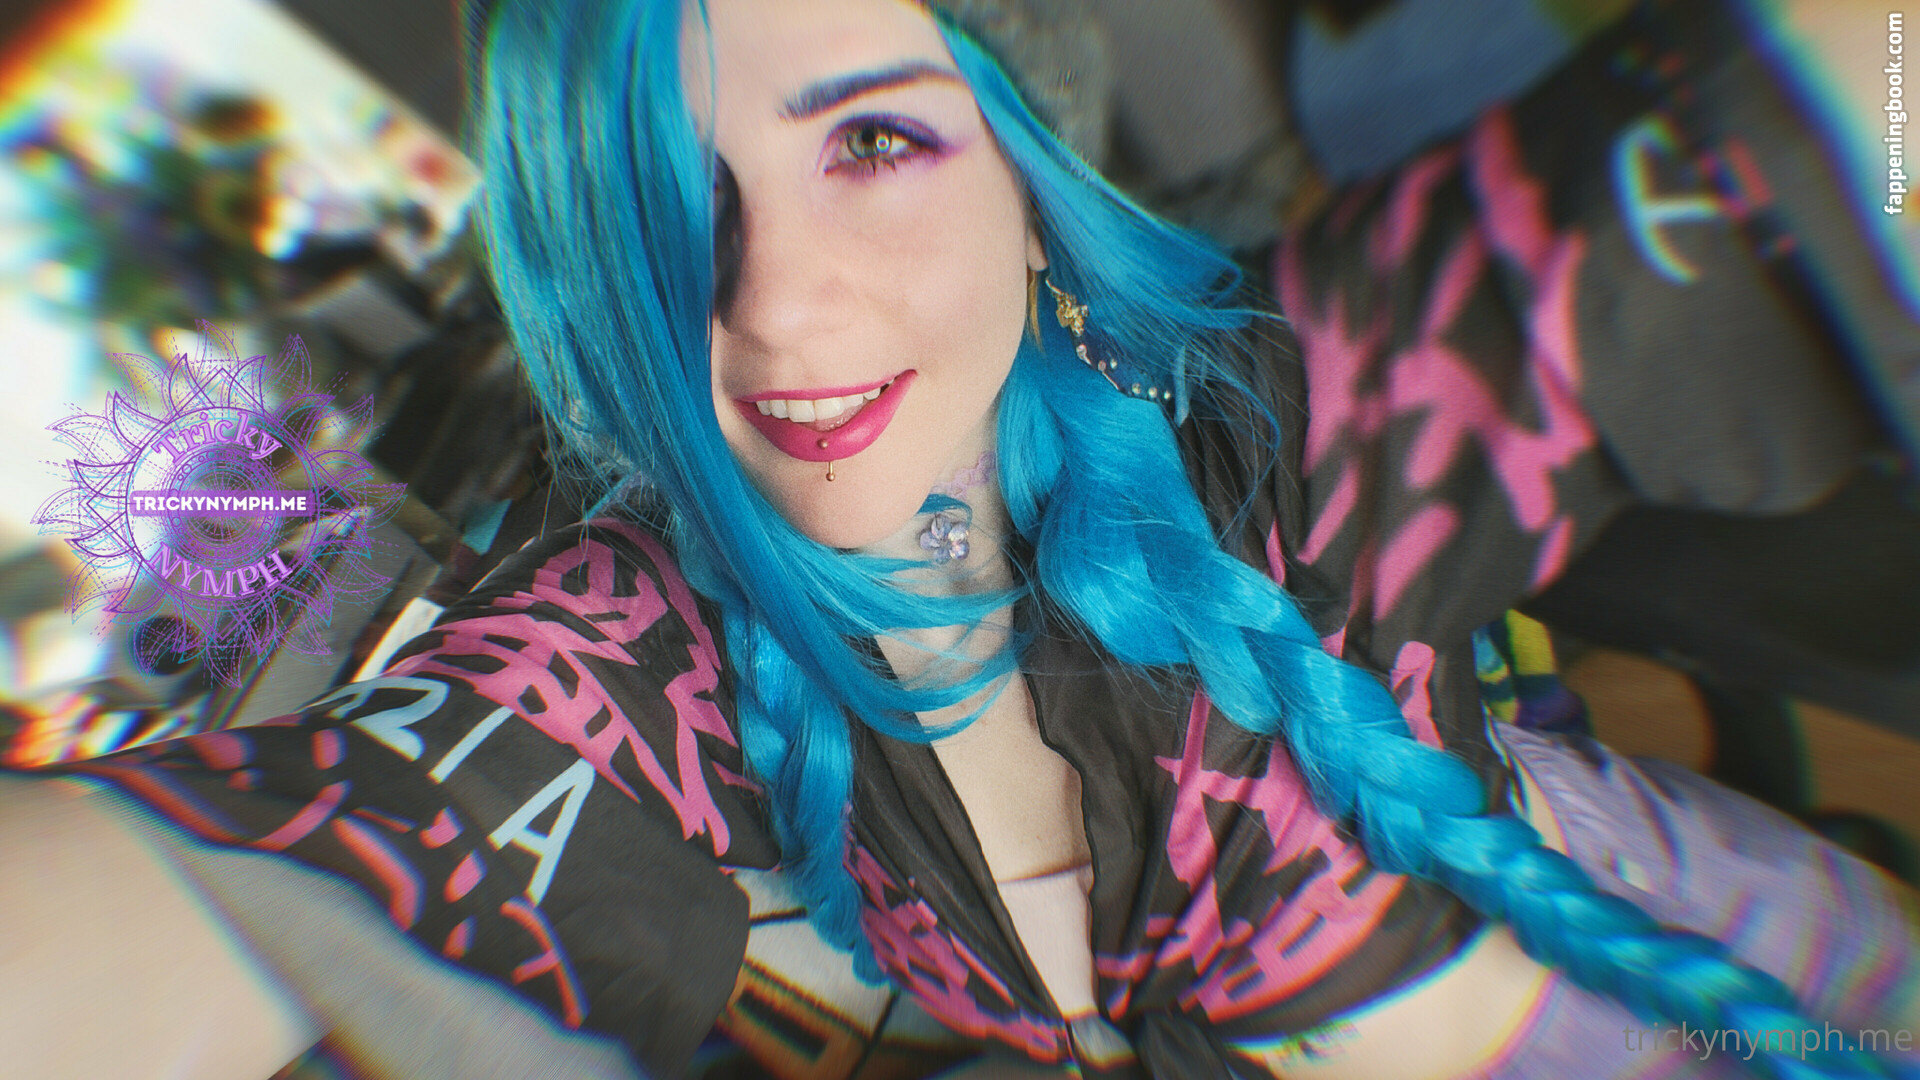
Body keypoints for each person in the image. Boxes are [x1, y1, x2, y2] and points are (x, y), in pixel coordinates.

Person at [4, 0, 1918, 1078]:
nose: (779, 306)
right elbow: (192, 890)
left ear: (1023, 170)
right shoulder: (626, 652)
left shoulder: (1274, 419)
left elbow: (1841, 87)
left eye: (871, 144)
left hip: (1767, 963)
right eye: (665, 210)